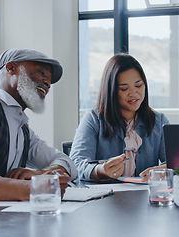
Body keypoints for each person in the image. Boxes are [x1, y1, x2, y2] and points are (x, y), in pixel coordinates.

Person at [0, 48, 78, 201]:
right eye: (41, 73)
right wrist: (36, 187)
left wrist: (42, 174)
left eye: (49, 79)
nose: (47, 83)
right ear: (11, 68)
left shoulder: (24, 130)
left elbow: (67, 162)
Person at [70, 53, 170, 182]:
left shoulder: (159, 121)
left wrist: (163, 170)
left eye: (139, 85)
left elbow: (177, 163)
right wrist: (100, 170)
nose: (134, 93)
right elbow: (75, 164)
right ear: (110, 91)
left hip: (146, 198)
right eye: (124, 89)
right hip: (105, 199)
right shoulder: (93, 119)